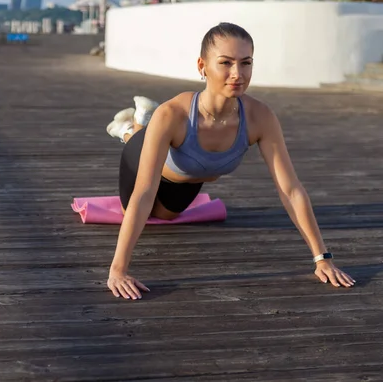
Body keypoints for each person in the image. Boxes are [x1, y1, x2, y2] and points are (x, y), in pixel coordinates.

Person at [104, 22, 356, 300]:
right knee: (138, 210)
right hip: (141, 158)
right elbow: (144, 191)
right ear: (202, 66)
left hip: (190, 177)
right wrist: (118, 269)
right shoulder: (173, 114)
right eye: (225, 63)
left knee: (167, 216)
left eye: (246, 63)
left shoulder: (260, 116)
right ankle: (131, 130)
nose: (237, 74)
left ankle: (136, 123)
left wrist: (323, 257)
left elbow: (291, 189)